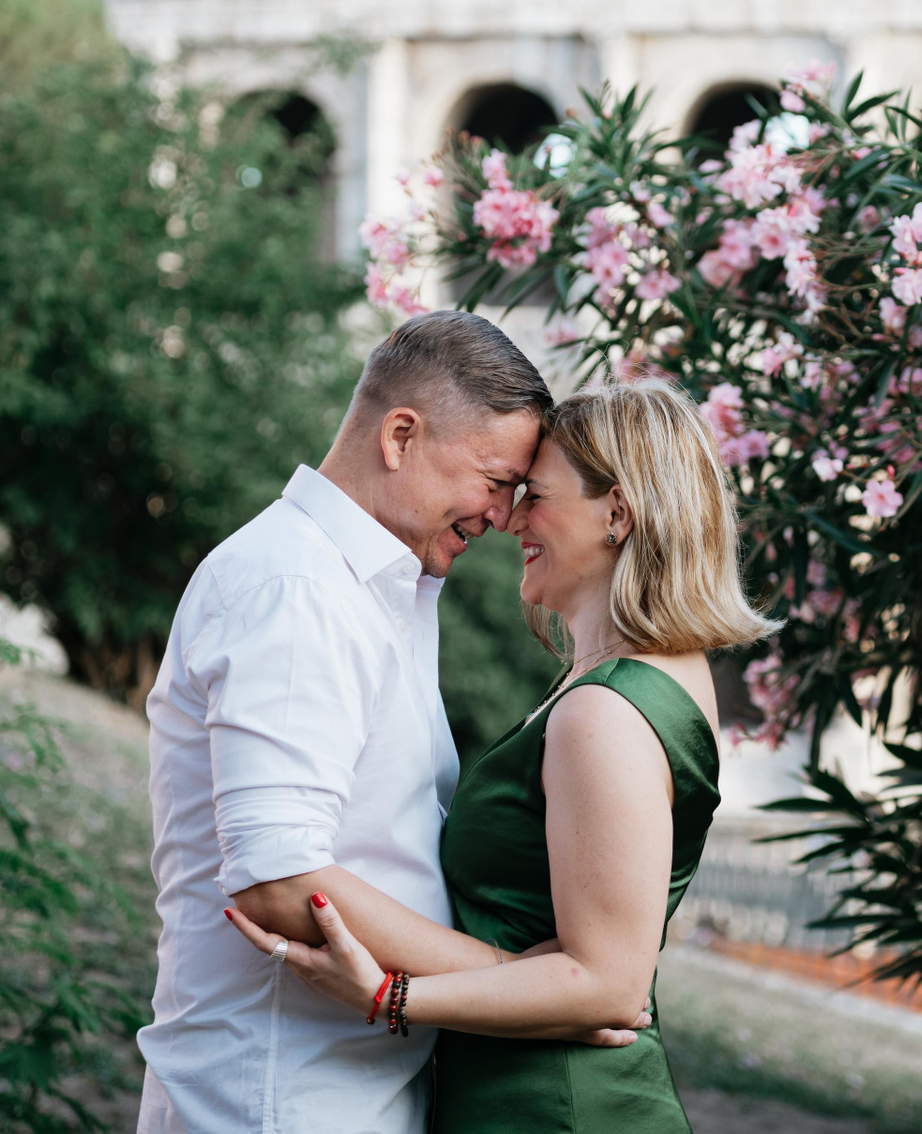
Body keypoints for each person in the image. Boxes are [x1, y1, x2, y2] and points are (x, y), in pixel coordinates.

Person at [228, 377, 780, 1133]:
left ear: (618, 513)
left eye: (536, 496)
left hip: (555, 1107)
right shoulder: (628, 677)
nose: (511, 518)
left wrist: (390, 996)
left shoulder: (606, 709)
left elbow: (607, 985)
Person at [138, 310, 621, 1134]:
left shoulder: (375, 590)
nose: (503, 516)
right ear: (400, 436)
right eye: (494, 480)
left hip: (345, 1090)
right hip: (278, 1098)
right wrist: (513, 980)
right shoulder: (296, 590)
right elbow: (279, 878)